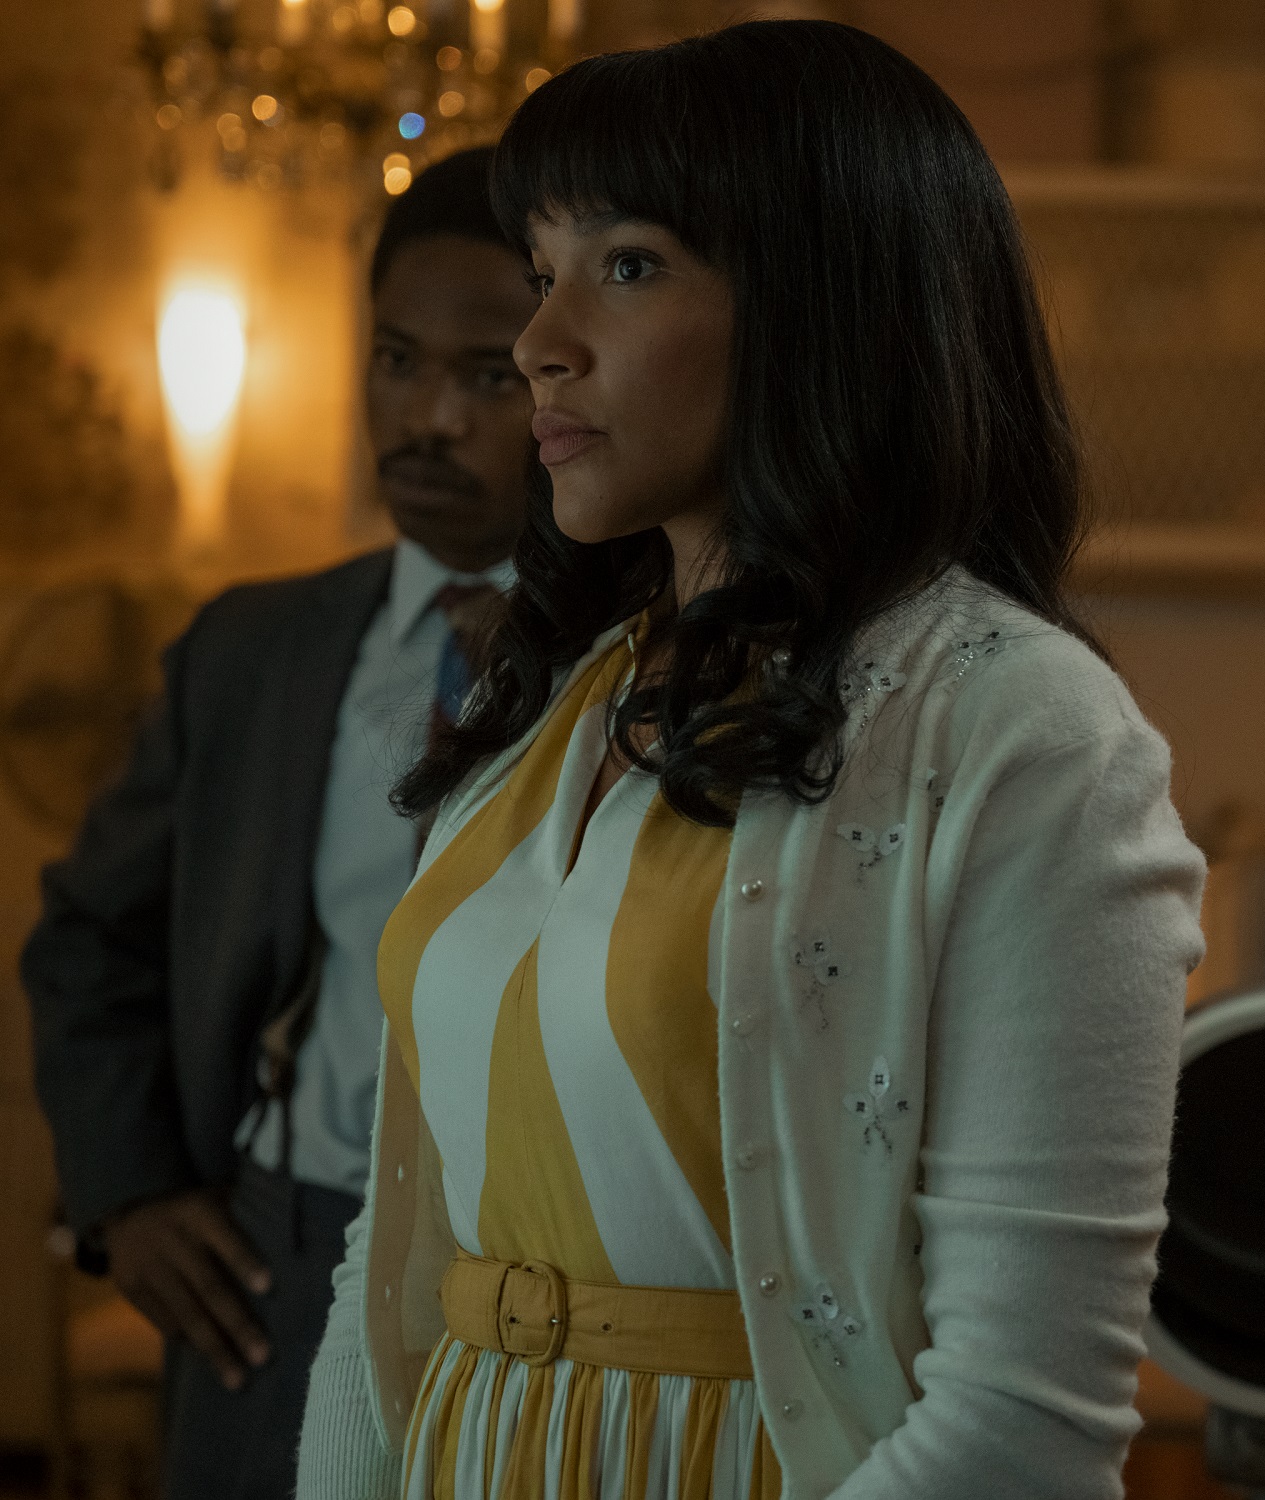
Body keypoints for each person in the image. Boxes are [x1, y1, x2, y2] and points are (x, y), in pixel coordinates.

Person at [294, 21, 1207, 1500]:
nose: (538, 342)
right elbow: (389, 1259)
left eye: (626, 265)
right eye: (541, 270)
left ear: (819, 305)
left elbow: (1021, 1425)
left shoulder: (1019, 729)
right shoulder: (557, 701)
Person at [24, 148, 537, 1498]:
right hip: (279, 1255)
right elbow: (87, 938)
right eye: (396, 361)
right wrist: (129, 1192)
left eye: (490, 377)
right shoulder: (255, 653)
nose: (428, 418)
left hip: (540, 1284)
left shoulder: (653, 663)